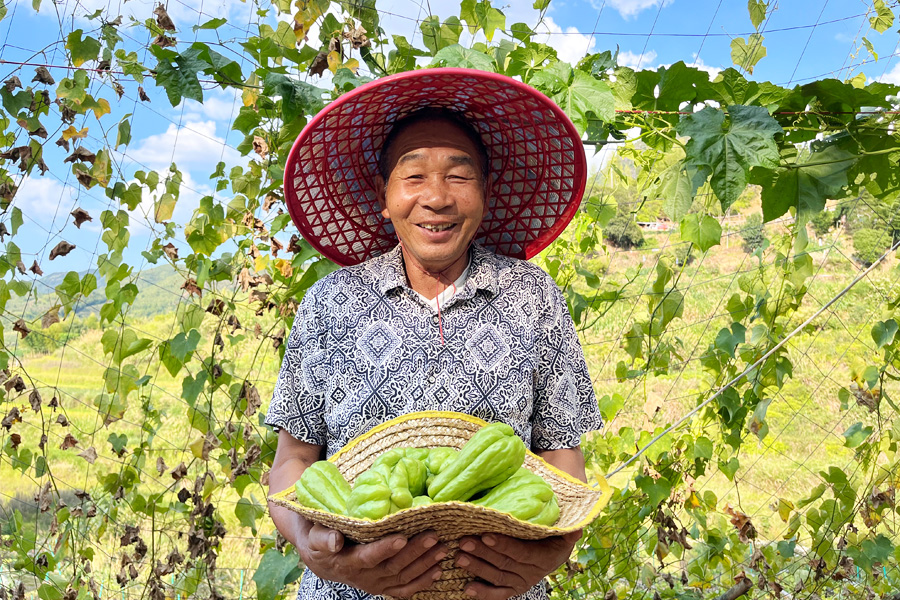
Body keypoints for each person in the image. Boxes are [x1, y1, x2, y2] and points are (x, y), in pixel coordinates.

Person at [266, 68, 602, 600]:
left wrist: (550, 553)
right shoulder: (329, 303)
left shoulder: (533, 297)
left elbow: (563, 460)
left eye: (459, 175)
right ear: (384, 194)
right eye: (414, 175)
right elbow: (293, 461)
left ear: (486, 193)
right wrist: (311, 547)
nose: (437, 197)